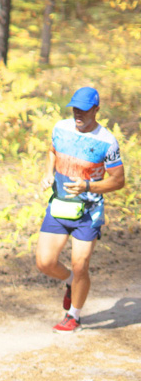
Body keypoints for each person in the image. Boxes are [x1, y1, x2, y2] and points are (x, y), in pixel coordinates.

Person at [35, 87, 126, 333]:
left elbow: (118, 180)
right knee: (45, 262)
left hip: (88, 212)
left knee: (80, 265)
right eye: (75, 108)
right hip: (60, 205)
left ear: (96, 110)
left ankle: (73, 315)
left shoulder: (107, 141)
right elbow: (52, 152)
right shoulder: (61, 128)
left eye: (84, 110)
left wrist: (88, 185)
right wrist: (48, 174)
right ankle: (70, 283)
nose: (78, 114)